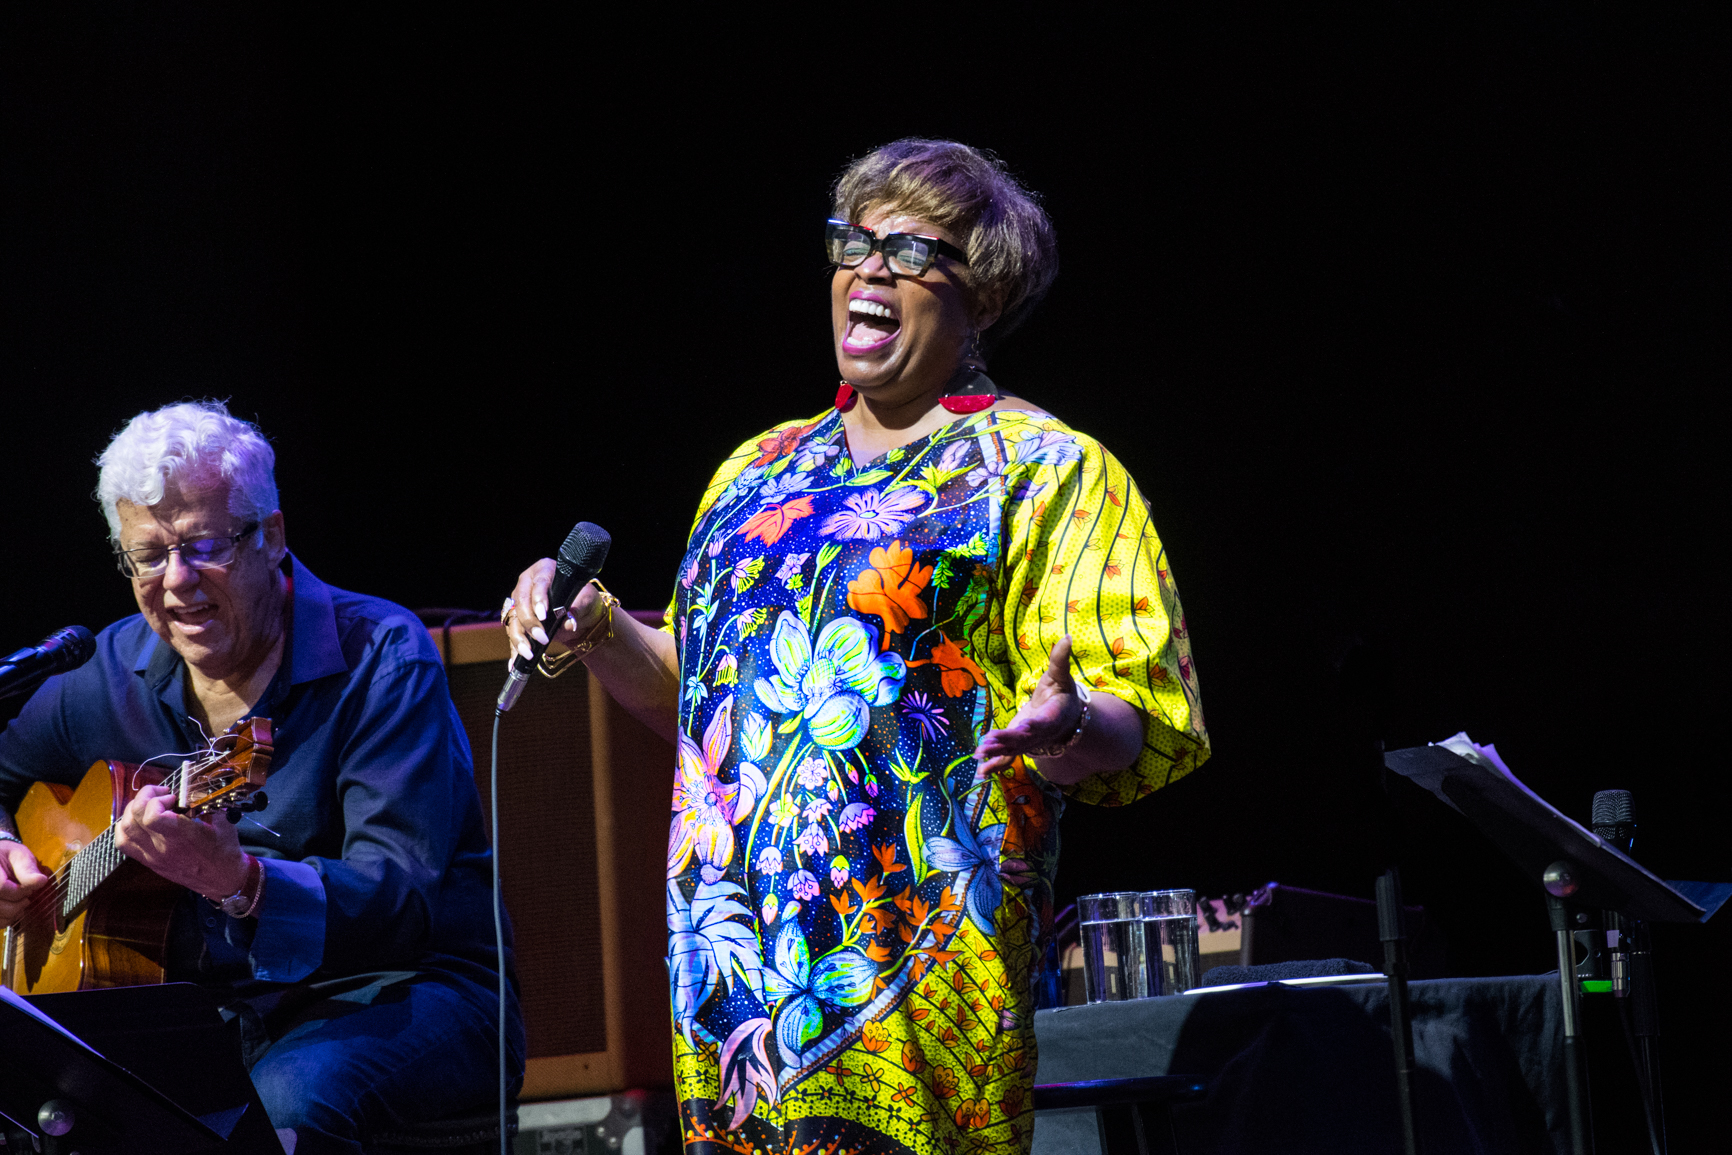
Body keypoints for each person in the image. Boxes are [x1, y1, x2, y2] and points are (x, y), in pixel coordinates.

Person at [505, 139, 1208, 1155]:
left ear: (984, 295)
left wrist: (1068, 726)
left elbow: (1137, 718)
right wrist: (601, 627)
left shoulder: (1046, 472)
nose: (868, 271)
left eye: (911, 251)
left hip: (912, 970)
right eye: (852, 242)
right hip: (731, 974)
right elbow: (695, 707)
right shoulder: (753, 472)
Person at [0, 401, 523, 1155]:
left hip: (406, 989)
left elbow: (404, 899)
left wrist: (240, 880)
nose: (175, 581)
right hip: (205, 1011)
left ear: (271, 538)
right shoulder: (104, 674)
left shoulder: (382, 656)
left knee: (273, 1106)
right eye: (147, 556)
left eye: (202, 546)